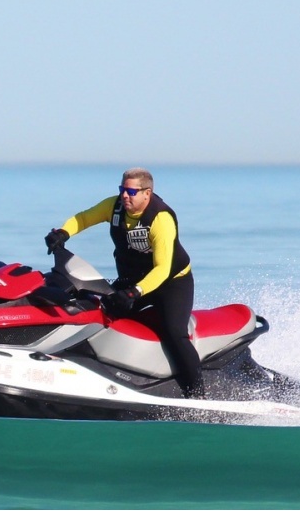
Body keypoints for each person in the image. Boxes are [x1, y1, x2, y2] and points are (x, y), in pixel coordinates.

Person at [44, 167, 204, 398]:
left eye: (131, 191)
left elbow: (162, 270)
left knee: (174, 332)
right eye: (122, 189)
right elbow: (84, 218)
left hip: (171, 283)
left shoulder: (160, 218)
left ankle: (197, 394)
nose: (125, 195)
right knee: (97, 310)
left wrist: (134, 293)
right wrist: (63, 233)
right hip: (133, 282)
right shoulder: (114, 206)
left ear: (147, 193)